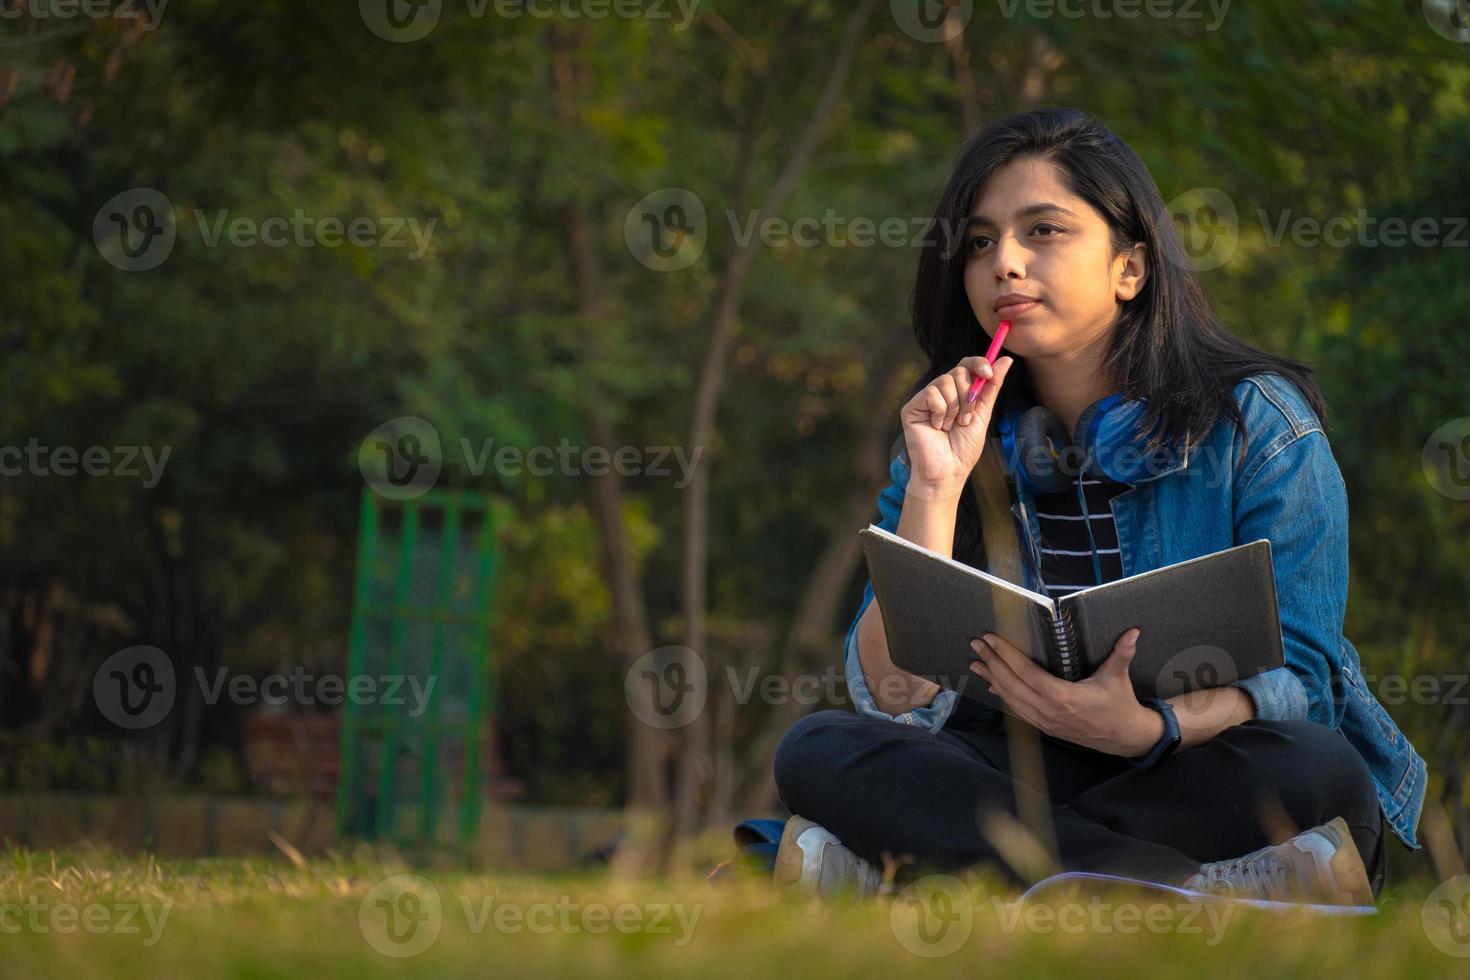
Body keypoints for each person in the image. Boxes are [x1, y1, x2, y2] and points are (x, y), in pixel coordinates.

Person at [771, 108, 1426, 905]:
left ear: (1131, 269)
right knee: (819, 747)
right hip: (1025, 772)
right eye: (980, 242)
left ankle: (990, 868)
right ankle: (1152, 885)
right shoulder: (944, 438)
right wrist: (936, 488)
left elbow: (1307, 678)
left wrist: (1149, 729)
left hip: (1197, 764)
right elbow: (897, 693)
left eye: (1043, 231)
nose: (1003, 263)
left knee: (1313, 764)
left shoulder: (1261, 425)